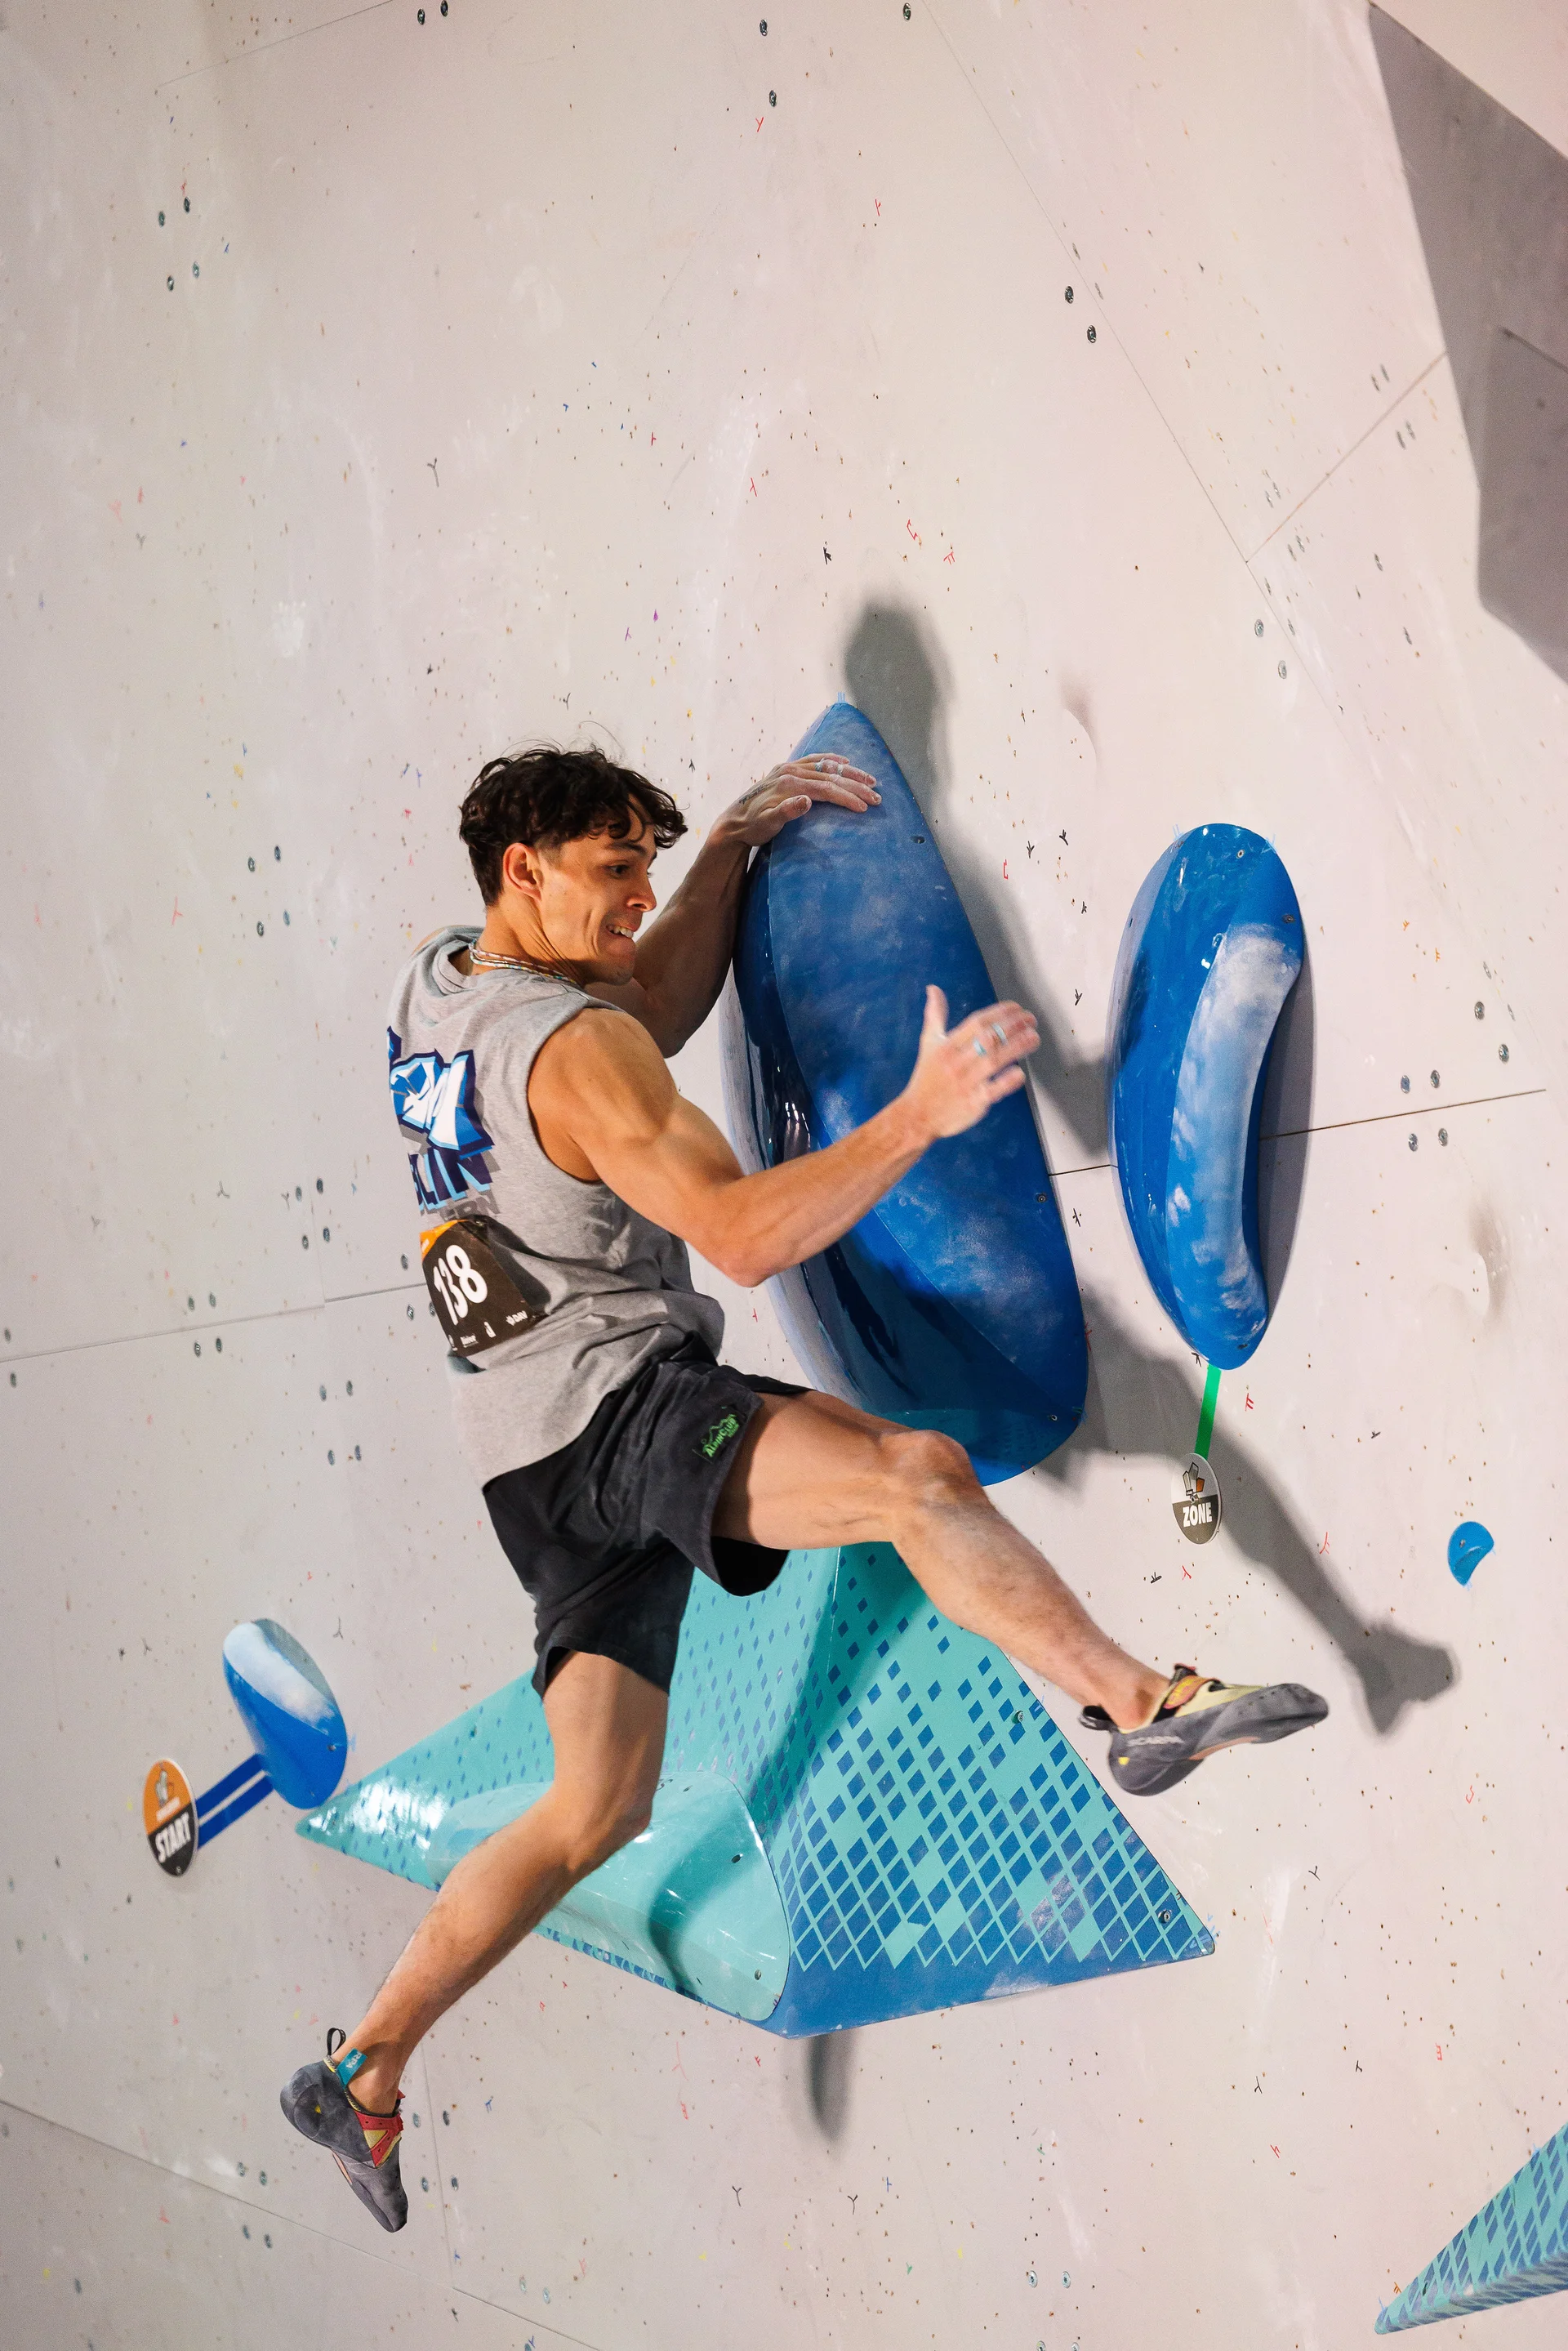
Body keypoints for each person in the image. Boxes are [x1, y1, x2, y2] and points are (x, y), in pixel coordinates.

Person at [283, 742, 1326, 2228]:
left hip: (521, 1465)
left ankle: (364, 2072)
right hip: (624, 1413)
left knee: (594, 1806)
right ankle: (1140, 1705)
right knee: (915, 1476)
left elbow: (633, 1001)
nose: (636, 902)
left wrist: (719, 856)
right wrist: (914, 1113)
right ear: (523, 870)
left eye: (644, 871)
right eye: (611, 875)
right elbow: (738, 1232)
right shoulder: (573, 1056)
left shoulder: (437, 981)